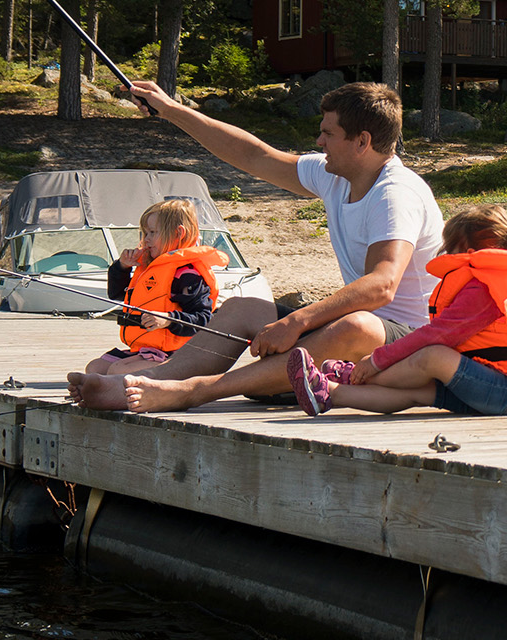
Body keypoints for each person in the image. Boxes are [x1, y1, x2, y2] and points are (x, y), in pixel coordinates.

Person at [66, 80, 443, 413]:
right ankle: (147, 380)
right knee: (242, 308)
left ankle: (192, 391)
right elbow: (253, 155)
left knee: (357, 324)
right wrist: (173, 111)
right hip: (360, 328)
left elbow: (382, 284)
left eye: (328, 133)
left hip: (411, 341)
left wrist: (295, 321)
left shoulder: (394, 194)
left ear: (361, 141)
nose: (319, 142)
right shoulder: (336, 176)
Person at [287, 205, 507, 417]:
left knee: (434, 356)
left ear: (466, 250)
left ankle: (351, 376)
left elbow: (438, 336)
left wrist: (376, 361)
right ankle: (330, 393)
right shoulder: (505, 275)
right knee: (419, 393)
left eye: (449, 249)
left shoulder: (484, 289)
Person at [79, 199, 226, 377]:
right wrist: (122, 268)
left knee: (118, 373)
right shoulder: (150, 268)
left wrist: (169, 319)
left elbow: (203, 319)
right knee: (95, 368)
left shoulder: (187, 275)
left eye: (152, 232)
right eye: (144, 233)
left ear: (178, 233)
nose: (145, 239)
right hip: (146, 350)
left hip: (175, 355)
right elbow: (117, 294)